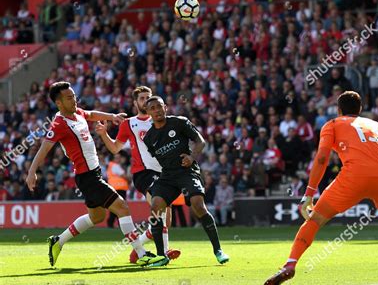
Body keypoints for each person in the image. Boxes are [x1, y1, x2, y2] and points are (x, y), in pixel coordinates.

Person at [264, 91, 378, 285]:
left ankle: (290, 265)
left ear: (339, 110)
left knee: (315, 220)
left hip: (354, 176)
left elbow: (322, 158)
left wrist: (309, 194)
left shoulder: (332, 124)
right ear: (360, 110)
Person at [26, 82, 164, 268]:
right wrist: (32, 171)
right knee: (122, 207)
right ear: (59, 103)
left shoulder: (77, 113)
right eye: (69, 98)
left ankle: (58, 241)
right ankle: (141, 254)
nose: (74, 99)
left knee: (97, 217)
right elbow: (44, 147)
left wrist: (112, 116)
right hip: (87, 177)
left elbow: (90, 114)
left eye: (74, 95)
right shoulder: (59, 124)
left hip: (93, 173)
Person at [95, 86, 181, 264]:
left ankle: (139, 250)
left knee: (166, 219)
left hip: (164, 173)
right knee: (160, 209)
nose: (146, 101)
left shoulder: (160, 121)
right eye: (142, 98)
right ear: (135, 103)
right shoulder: (129, 123)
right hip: (143, 173)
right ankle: (162, 254)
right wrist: (104, 134)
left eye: (148, 97)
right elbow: (115, 148)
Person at [143, 96, 229, 264]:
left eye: (159, 106)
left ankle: (218, 250)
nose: (157, 110)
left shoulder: (179, 122)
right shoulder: (149, 138)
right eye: (152, 108)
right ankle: (161, 255)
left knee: (198, 205)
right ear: (148, 113)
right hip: (168, 176)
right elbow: (160, 159)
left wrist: (191, 156)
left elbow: (200, 141)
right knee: (155, 206)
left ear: (165, 108)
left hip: (187, 171)